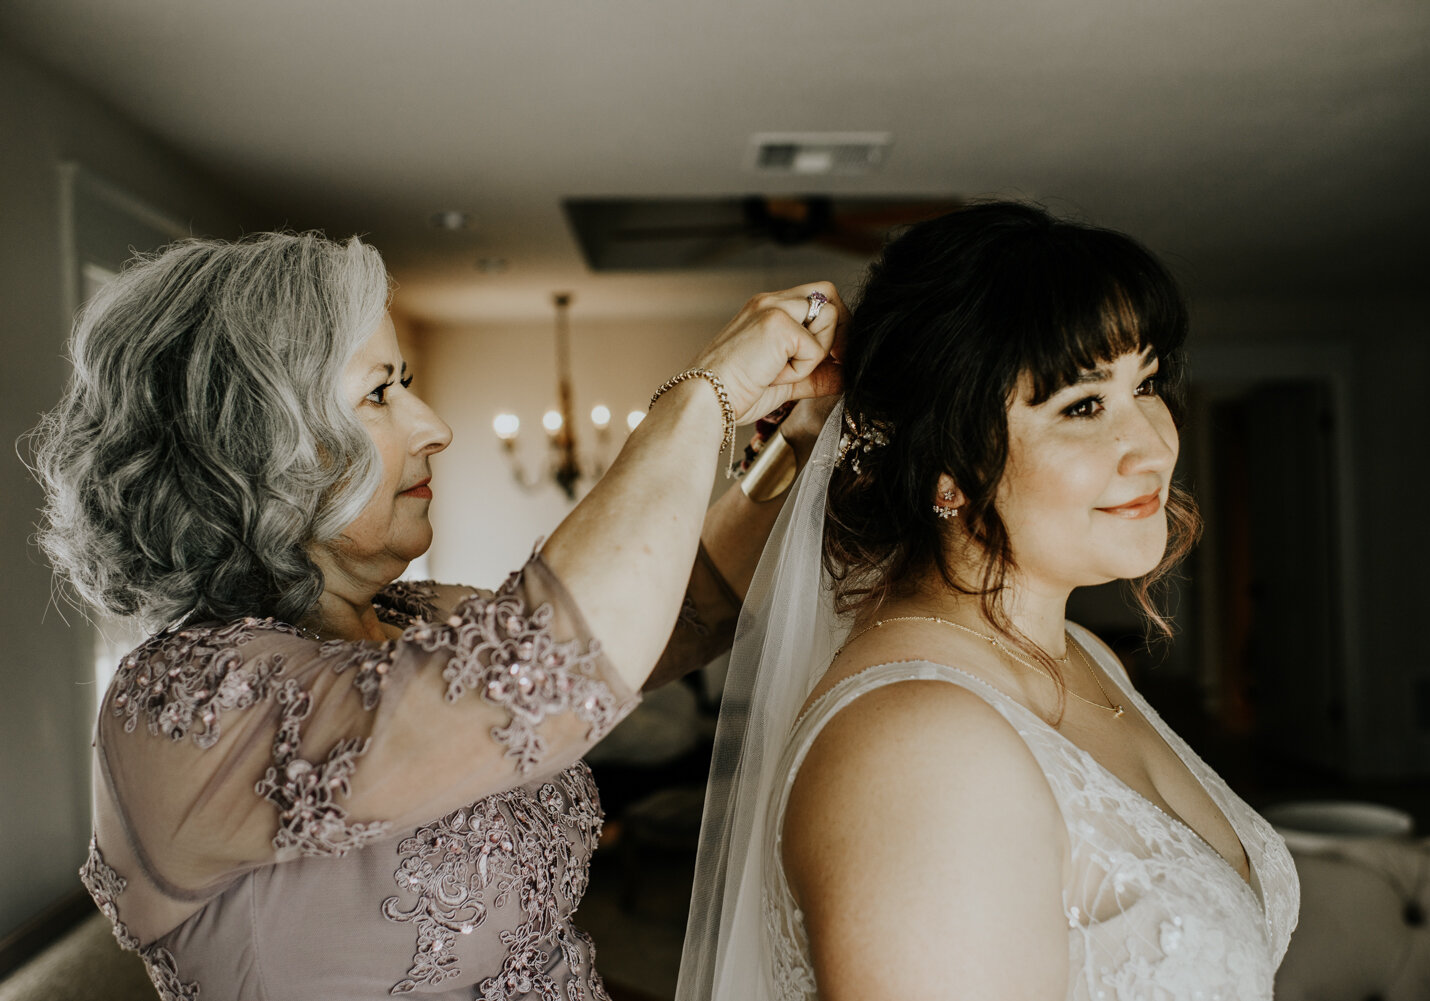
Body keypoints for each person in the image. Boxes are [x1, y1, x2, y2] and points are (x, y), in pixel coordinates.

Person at [29, 231, 843, 1000]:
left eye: (405, 385)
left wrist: (799, 443)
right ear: (248, 448)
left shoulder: (420, 616)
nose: (435, 428)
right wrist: (703, 397)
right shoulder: (179, 703)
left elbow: (685, 607)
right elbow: (544, 666)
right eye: (380, 393)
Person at [676, 202, 1300, 1001]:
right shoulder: (915, 747)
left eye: (1146, 384)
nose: (1153, 442)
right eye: (1082, 406)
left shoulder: (1083, 649)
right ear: (947, 467)